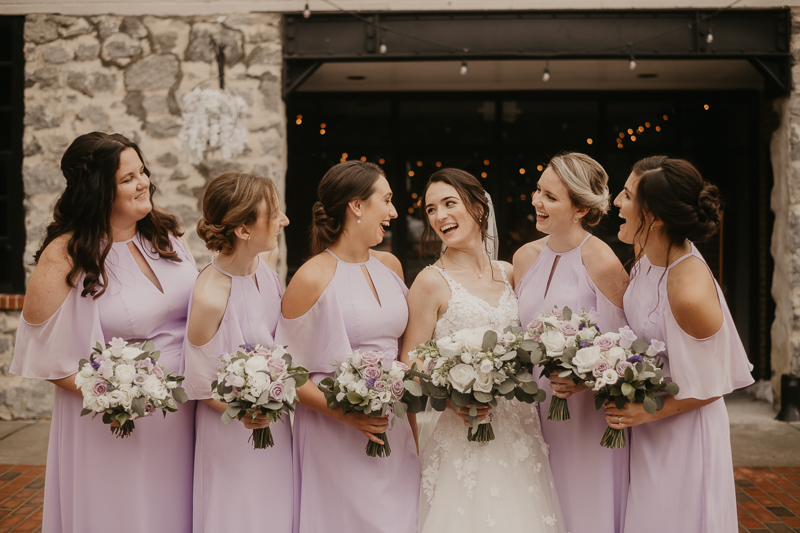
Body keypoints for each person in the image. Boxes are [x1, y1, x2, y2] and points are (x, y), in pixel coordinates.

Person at [11, 132, 197, 532]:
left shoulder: (166, 237)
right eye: (128, 178)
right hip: (117, 420)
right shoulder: (66, 255)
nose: (143, 181)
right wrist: (117, 393)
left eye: (143, 171)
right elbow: (43, 356)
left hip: (183, 415)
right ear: (98, 190)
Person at [402, 168, 565, 533]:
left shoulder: (509, 273)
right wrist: (451, 394)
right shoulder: (430, 281)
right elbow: (410, 362)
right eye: (430, 209)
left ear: (478, 207)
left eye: (449, 203)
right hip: (464, 431)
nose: (439, 216)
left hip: (521, 430)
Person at [606, 156, 754, 532]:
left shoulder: (687, 289)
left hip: (685, 434)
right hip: (652, 424)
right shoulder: (644, 256)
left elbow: (716, 383)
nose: (616, 203)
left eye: (625, 195)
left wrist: (646, 413)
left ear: (653, 216)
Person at [275, 161, 420, 533]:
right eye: (386, 201)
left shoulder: (391, 266)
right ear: (356, 206)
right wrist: (345, 414)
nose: (393, 212)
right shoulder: (311, 277)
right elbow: (287, 372)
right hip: (335, 432)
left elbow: (404, 353)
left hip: (393, 424)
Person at [512, 152, 629, 533]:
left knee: (582, 510)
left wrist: (584, 379)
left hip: (583, 416)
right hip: (529, 413)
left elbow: (624, 349)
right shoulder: (524, 257)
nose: (536, 201)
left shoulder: (604, 262)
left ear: (580, 208)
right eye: (537, 191)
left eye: (550, 196)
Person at [182, 172, 291, 532]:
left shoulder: (266, 265)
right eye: (274, 214)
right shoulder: (209, 295)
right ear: (244, 230)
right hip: (231, 431)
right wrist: (244, 410)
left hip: (275, 423)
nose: (284, 220)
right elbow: (196, 382)